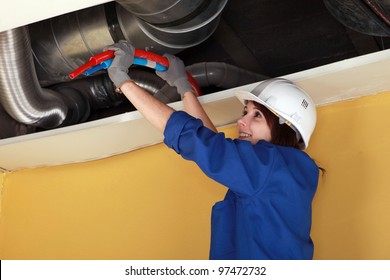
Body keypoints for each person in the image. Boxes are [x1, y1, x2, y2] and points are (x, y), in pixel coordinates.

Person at [105, 40, 320, 260]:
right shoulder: (282, 173)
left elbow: (196, 140)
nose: (241, 121)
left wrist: (123, 81)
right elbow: (212, 144)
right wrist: (184, 87)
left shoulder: (270, 167)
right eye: (245, 112)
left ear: (286, 127)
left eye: (257, 115)